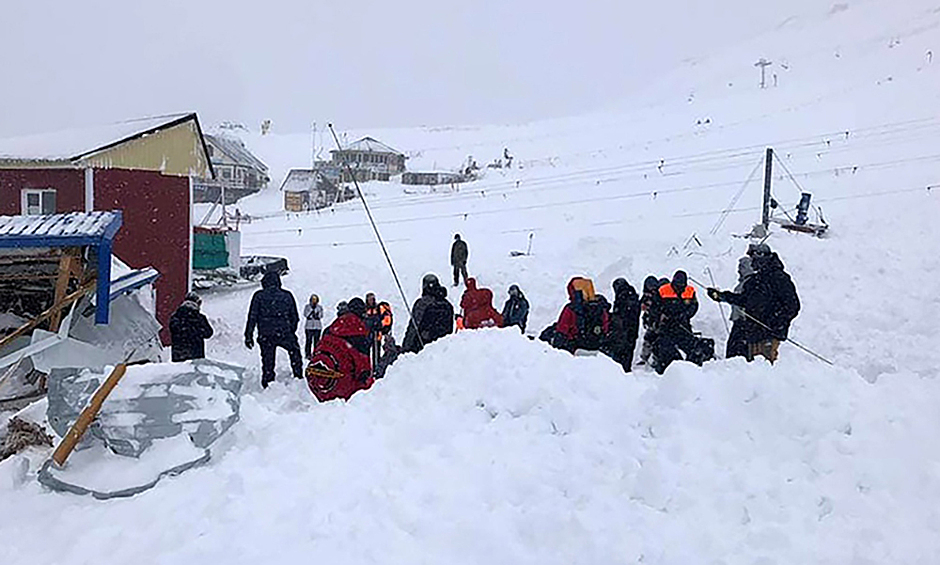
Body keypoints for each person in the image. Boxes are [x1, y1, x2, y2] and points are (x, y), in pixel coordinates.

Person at [707, 247, 800, 363]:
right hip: (754, 332)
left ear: (762, 258)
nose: (752, 263)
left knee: (765, 368)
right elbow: (743, 300)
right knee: (750, 366)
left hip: (769, 333)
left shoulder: (779, 278)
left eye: (753, 259)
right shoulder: (755, 280)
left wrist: (777, 323)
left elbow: (792, 306)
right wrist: (722, 296)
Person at [307, 297, 374, 402]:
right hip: (342, 388)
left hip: (317, 384)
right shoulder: (360, 333)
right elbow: (364, 370)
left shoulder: (331, 328)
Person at [244, 271, 303, 388]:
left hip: (266, 334)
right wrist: (290, 331)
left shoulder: (259, 296)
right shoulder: (287, 295)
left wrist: (248, 335)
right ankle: (298, 377)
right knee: (294, 353)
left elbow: (252, 317)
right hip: (285, 333)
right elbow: (295, 317)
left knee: (267, 361)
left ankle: (268, 383)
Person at [651, 270, 713, 374]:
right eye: (677, 285)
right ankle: (665, 369)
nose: (679, 288)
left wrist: (685, 315)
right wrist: (661, 315)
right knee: (665, 347)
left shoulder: (690, 291)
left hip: (683, 325)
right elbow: (654, 307)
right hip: (667, 326)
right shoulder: (663, 290)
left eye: (682, 286)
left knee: (692, 346)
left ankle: (693, 368)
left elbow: (694, 306)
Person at [547, 277, 610, 353]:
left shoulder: (571, 308)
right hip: (596, 344)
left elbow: (562, 329)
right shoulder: (601, 307)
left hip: (575, 345)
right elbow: (606, 327)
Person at [401, 274, 455, 353]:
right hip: (443, 350)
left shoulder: (422, 303)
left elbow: (413, 327)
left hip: (421, 348)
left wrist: (406, 348)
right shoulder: (447, 305)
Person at [605, 278, 641, 372]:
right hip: (633, 328)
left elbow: (619, 314)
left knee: (620, 350)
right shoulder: (633, 296)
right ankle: (626, 368)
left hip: (623, 328)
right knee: (629, 349)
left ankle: (621, 370)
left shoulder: (622, 297)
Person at [725, 257, 756, 359]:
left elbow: (743, 301)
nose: (739, 270)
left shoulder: (751, 284)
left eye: (741, 267)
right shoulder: (743, 284)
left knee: (737, 350)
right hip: (739, 321)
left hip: (744, 322)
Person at [169, 292, 213, 362]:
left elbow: (173, 330)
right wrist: (197, 331)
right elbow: (208, 333)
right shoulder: (199, 318)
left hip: (178, 353)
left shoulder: (175, 317)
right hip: (195, 354)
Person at [637, 275, 662, 366]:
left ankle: (656, 358)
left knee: (656, 340)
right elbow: (641, 305)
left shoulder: (659, 295)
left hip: (658, 321)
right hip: (651, 321)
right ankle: (644, 358)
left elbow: (658, 308)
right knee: (648, 340)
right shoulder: (646, 295)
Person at [303, 293, 324, 359]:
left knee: (316, 341)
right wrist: (311, 312)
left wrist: (316, 314)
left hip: (317, 327)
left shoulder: (319, 307)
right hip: (309, 327)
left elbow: (320, 316)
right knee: (308, 341)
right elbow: (306, 314)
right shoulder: (307, 307)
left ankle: (316, 353)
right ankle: (308, 354)